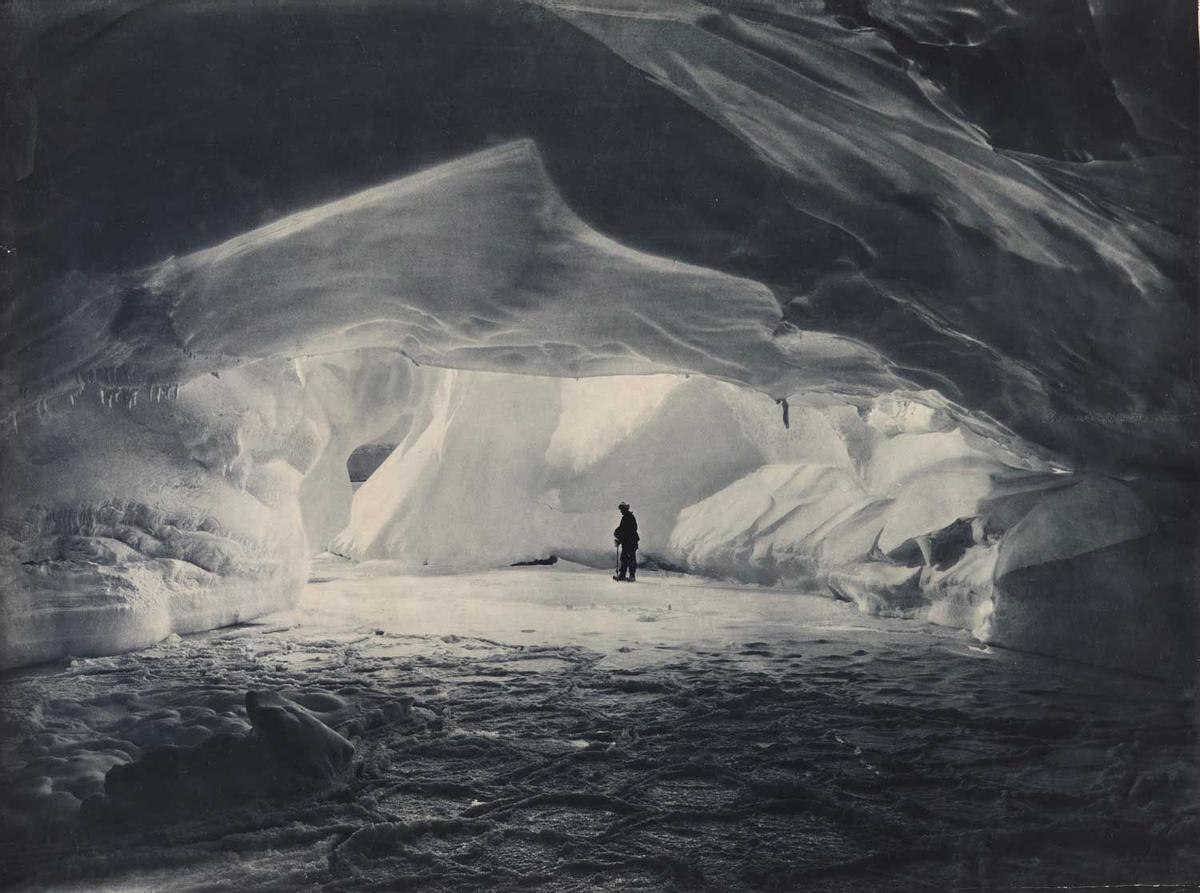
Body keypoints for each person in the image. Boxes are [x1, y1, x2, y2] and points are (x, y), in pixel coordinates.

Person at [613, 501, 639, 582]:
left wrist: (619, 540)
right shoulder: (627, 517)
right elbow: (623, 530)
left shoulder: (628, 517)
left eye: (621, 509)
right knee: (624, 558)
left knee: (630, 558)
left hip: (630, 542)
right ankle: (623, 575)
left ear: (625, 509)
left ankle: (631, 576)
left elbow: (626, 531)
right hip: (629, 542)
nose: (620, 511)